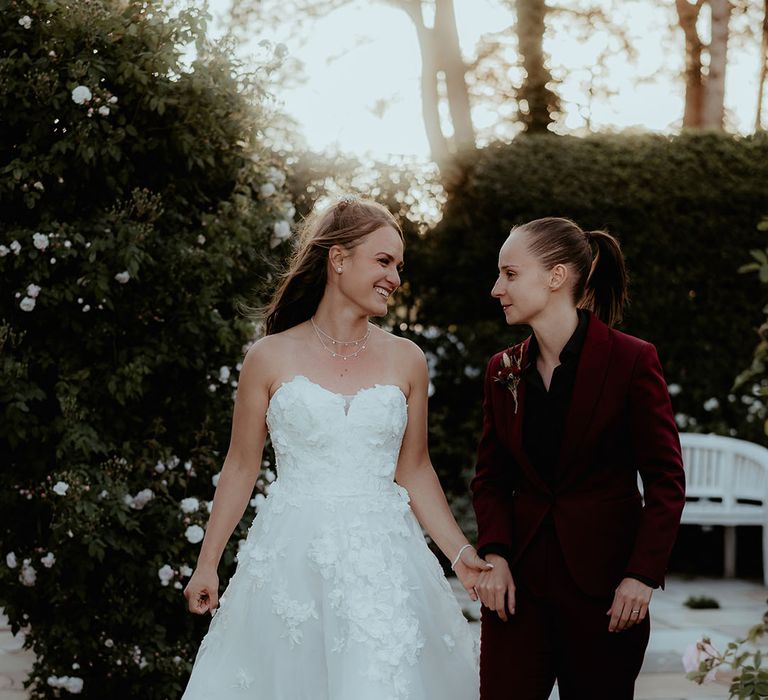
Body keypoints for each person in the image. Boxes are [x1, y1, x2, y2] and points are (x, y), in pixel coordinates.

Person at [181, 196, 488, 700]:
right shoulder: (268, 356)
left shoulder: (407, 359)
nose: (394, 277)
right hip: (291, 563)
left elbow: (413, 470)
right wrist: (208, 561)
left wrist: (460, 553)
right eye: (384, 261)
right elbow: (240, 465)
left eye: (399, 266)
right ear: (339, 259)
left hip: (383, 566)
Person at [471, 217, 686, 700]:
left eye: (509, 274)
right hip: (516, 593)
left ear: (555, 276)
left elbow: (665, 479)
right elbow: (489, 479)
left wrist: (641, 576)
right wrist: (495, 555)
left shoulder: (632, 361)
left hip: (607, 595)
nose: (496, 289)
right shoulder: (501, 370)